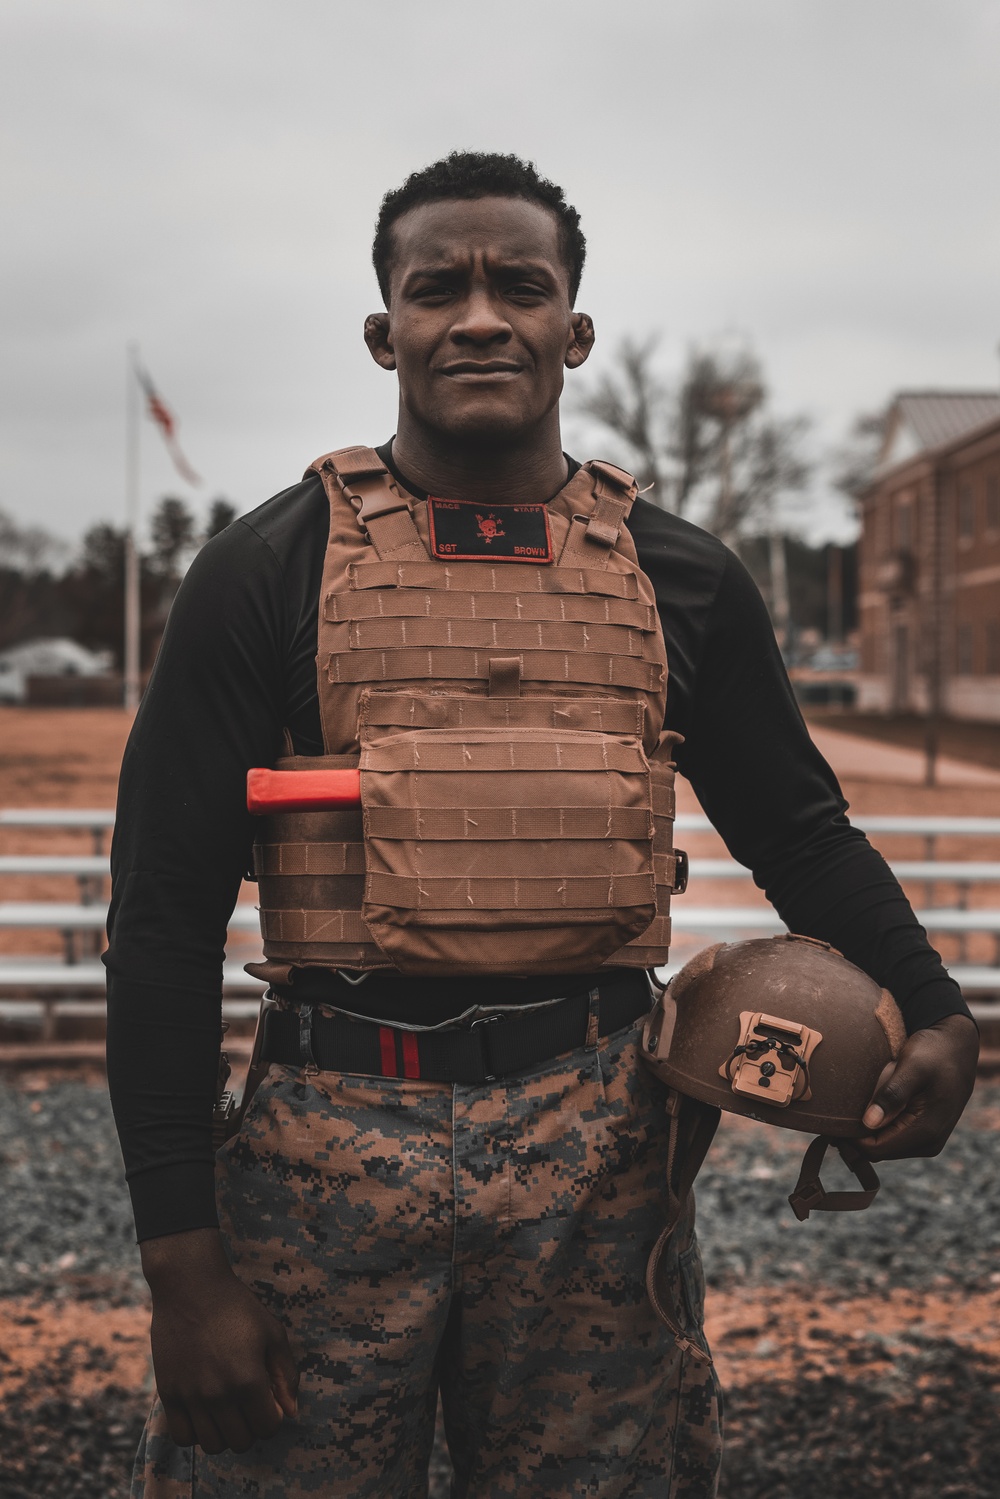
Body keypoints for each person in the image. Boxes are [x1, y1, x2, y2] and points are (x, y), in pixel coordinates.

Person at [106, 151, 978, 1499]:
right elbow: (159, 923)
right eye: (434, 286)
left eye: (520, 284)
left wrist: (938, 1007)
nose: (478, 315)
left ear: (574, 327)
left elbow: (798, 831)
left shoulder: (682, 580)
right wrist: (181, 1268)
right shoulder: (263, 571)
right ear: (381, 328)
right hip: (326, 1138)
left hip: (601, 1146)